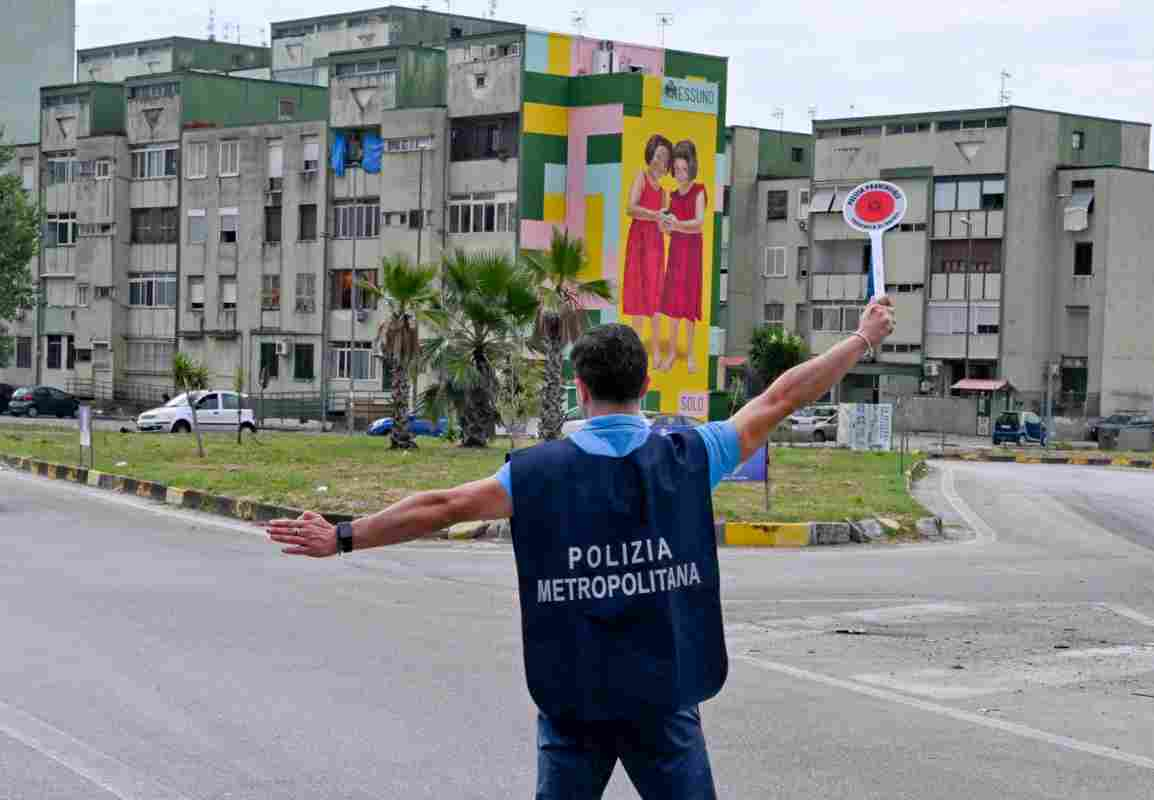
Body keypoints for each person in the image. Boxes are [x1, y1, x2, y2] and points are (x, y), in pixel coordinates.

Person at [266, 298, 896, 799]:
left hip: (575, 697)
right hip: (664, 698)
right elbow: (782, 397)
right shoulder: (692, 455)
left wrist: (343, 536)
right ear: (646, 384)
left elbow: (444, 507)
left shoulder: (534, 473)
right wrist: (863, 337)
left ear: (579, 387)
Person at [622, 134, 672, 369]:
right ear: (650, 154)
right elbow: (630, 208)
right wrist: (654, 215)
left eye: (665, 158)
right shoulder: (640, 177)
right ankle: (633, 351)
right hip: (639, 240)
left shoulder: (664, 192)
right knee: (637, 294)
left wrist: (671, 225)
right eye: (658, 155)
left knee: (654, 296)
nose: (660, 161)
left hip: (655, 243)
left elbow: (663, 225)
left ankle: (653, 354)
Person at [658, 140, 706, 374]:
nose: (679, 174)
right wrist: (665, 225)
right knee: (674, 305)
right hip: (676, 251)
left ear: (691, 167)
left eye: (683, 170)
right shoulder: (672, 195)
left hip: (693, 252)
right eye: (676, 170)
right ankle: (672, 354)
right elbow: (669, 228)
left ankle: (690, 355)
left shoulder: (699, 191)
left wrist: (676, 225)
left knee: (688, 306)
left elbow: (698, 224)